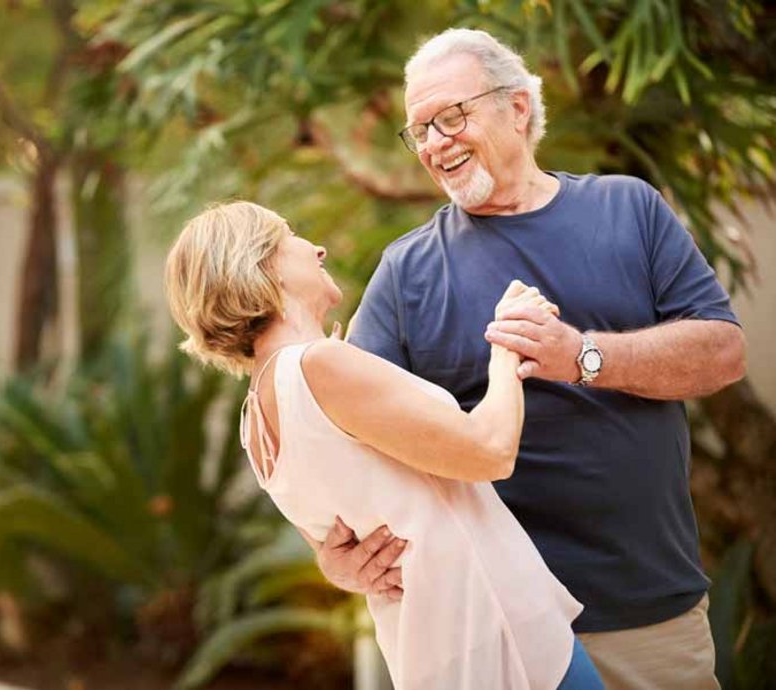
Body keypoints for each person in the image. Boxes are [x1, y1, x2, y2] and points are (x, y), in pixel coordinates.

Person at [318, 28, 745, 690]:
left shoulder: (627, 209)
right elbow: (346, 437)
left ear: (517, 107)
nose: (433, 144)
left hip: (644, 616)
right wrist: (337, 556)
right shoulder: (406, 272)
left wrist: (582, 356)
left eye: (449, 117)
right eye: (418, 130)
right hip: (490, 633)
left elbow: (723, 351)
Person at [164, 201, 605, 689]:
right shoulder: (320, 366)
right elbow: (491, 451)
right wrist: (507, 345)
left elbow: (337, 549)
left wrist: (337, 569)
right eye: (292, 233)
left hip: (434, 656)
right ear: (260, 264)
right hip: (500, 636)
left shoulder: (257, 424)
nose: (317, 247)